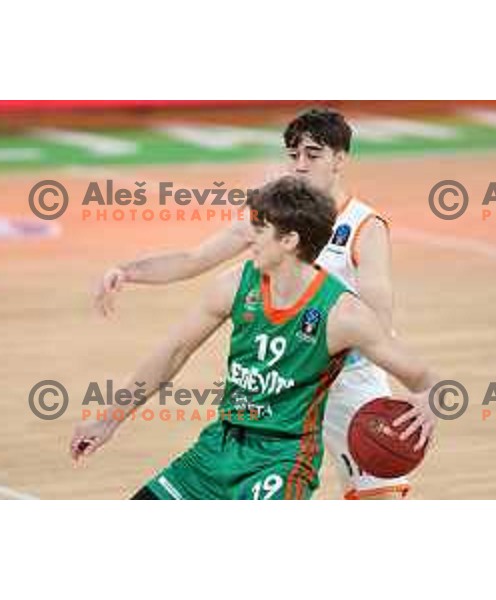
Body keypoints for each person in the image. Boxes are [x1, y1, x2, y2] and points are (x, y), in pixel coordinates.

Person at [94, 108, 407, 499]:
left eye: (313, 154)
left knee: (381, 498)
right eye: (294, 155)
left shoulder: (365, 227)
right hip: (286, 385)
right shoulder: (274, 216)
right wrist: (127, 271)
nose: (301, 164)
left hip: (348, 381)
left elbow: (380, 318)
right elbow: (194, 260)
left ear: (340, 159)